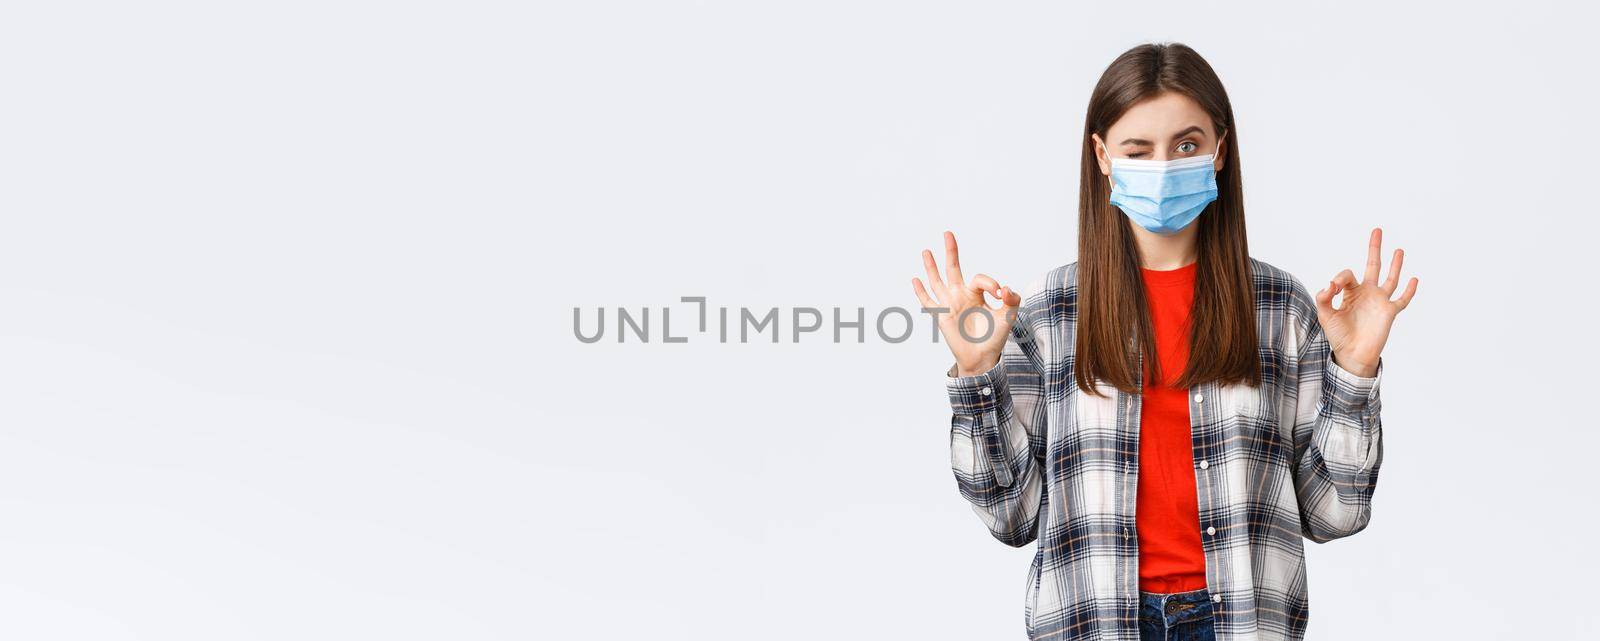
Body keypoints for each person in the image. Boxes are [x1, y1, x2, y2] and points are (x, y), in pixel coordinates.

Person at [910, 42, 1418, 641]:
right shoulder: (1052, 311)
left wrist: (1354, 370)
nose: (1164, 165)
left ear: (1219, 150)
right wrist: (976, 373)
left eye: (1186, 145)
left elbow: (1335, 513)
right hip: (1094, 620)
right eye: (1138, 149)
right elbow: (1009, 515)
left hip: (1243, 621)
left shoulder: (1279, 308)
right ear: (1102, 156)